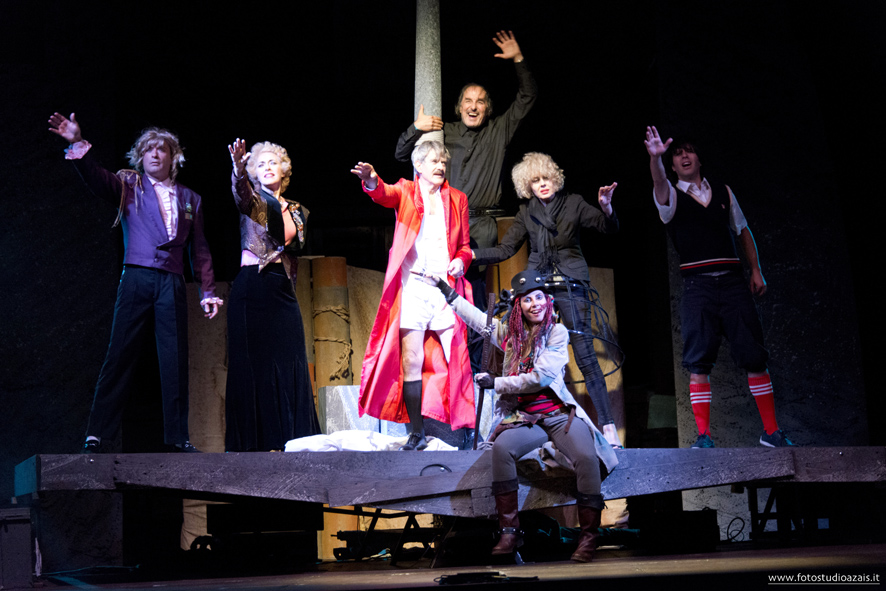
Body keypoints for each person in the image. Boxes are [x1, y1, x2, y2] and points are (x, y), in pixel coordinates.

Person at [48, 112, 222, 453]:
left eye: (162, 149)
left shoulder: (191, 199)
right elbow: (97, 178)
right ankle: (97, 433)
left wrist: (208, 291)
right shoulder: (130, 185)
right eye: (148, 150)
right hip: (137, 277)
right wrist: (77, 142)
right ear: (141, 157)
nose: (155, 154)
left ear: (173, 157)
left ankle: (179, 438)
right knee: (120, 355)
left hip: (172, 282)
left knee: (174, 361)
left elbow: (200, 249)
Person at [426, 269, 617, 561]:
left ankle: (589, 536)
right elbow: (479, 320)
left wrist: (497, 383)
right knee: (502, 449)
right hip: (525, 418)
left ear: (547, 300)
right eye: (527, 300)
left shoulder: (557, 332)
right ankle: (510, 532)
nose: (535, 304)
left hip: (558, 415)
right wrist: (447, 291)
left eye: (539, 297)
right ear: (519, 305)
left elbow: (540, 378)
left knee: (586, 456)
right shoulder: (511, 335)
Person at [643, 125, 794, 448]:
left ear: (699, 158)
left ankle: (771, 432)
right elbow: (658, 182)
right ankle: (704, 437)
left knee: (754, 356)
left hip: (733, 284)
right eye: (677, 154)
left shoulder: (723, 192)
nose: (684, 156)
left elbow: (742, 229)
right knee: (698, 361)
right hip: (698, 287)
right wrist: (655, 159)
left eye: (689, 151)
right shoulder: (670, 195)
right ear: (672, 166)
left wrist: (756, 270)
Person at [395, 30, 538, 370]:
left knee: (471, 299)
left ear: (488, 108)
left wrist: (518, 59)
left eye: (481, 101)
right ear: (459, 107)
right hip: (445, 223)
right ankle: (436, 367)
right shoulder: (443, 132)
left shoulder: (498, 131)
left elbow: (528, 96)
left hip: (481, 228)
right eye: (468, 101)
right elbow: (402, 154)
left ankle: (474, 371)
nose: (474, 106)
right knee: (437, 292)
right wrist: (416, 128)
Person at [472, 152, 624, 448]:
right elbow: (505, 250)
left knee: (585, 355)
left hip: (571, 285)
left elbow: (608, 227)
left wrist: (606, 208)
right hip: (538, 287)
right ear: (527, 186)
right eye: (535, 180)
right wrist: (470, 255)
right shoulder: (526, 213)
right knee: (527, 353)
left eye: (546, 178)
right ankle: (526, 424)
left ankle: (608, 428)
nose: (542, 184)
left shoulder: (574, 203)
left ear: (556, 179)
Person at [350, 140, 474, 451]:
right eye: (434, 161)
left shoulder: (457, 198)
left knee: (458, 358)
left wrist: (461, 261)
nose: (440, 166)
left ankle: (469, 430)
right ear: (418, 165)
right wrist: (371, 180)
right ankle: (416, 432)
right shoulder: (407, 190)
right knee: (411, 359)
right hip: (414, 288)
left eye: (443, 162)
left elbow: (464, 246)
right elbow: (383, 194)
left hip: (445, 289)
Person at [225, 139, 321, 451]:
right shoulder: (251, 198)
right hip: (251, 285)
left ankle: (293, 440)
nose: (267, 167)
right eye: (261, 164)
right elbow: (242, 195)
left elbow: (292, 243)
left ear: (284, 169)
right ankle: (252, 444)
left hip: (281, 288)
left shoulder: (298, 210)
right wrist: (238, 171)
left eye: (273, 162)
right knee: (251, 365)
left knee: (291, 360)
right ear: (254, 171)